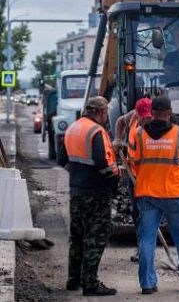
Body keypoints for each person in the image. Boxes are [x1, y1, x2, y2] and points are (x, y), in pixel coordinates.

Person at [128, 95, 179, 294]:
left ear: (152, 113)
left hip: (147, 194)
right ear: (170, 113)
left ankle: (147, 284)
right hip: (175, 194)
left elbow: (133, 161)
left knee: (146, 239)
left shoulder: (138, 134)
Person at [58, 96, 120, 296]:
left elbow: (61, 159)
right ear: (101, 113)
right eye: (105, 115)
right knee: (95, 238)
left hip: (77, 191)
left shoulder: (73, 128)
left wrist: (78, 176)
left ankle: (73, 279)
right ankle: (90, 283)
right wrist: (114, 183)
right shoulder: (96, 131)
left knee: (77, 237)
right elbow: (104, 165)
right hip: (97, 193)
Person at [113, 97, 153, 262]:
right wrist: (117, 138)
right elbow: (120, 121)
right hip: (134, 175)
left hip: (152, 176)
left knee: (150, 212)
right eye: (143, 116)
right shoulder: (132, 116)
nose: (146, 119)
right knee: (137, 212)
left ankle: (148, 247)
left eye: (148, 116)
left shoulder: (159, 126)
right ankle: (141, 247)